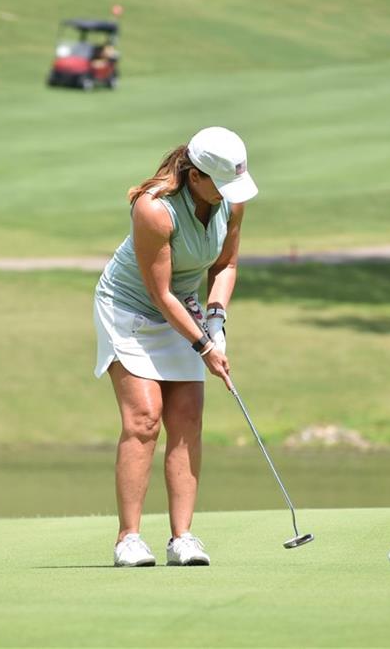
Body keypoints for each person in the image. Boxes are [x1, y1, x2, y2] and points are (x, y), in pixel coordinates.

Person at [93, 127, 258, 566]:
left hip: (181, 309)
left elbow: (226, 264)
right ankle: (128, 538)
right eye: (219, 186)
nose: (226, 195)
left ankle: (182, 538)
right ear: (196, 176)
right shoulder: (154, 209)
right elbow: (159, 292)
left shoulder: (231, 202)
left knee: (187, 417)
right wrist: (204, 344)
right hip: (129, 308)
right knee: (145, 418)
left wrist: (217, 318)